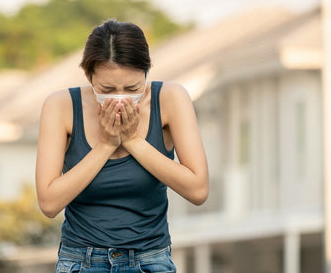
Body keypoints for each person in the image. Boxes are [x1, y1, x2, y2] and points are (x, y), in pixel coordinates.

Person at [35, 19, 209, 272]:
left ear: (147, 72)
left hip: (150, 259)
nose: (120, 97)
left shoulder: (171, 99)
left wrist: (133, 141)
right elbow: (49, 203)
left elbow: (198, 190)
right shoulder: (61, 106)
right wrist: (106, 145)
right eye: (107, 88)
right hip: (82, 261)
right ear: (88, 76)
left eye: (132, 88)